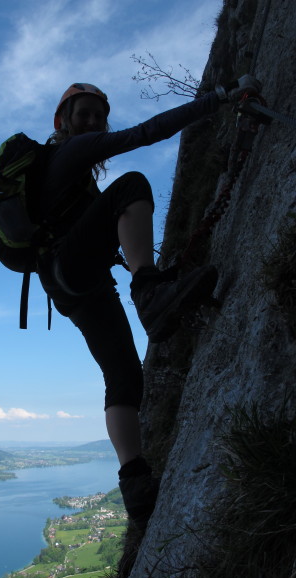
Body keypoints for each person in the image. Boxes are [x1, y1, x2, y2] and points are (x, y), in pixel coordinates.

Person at [36, 77, 261, 533]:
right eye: (85, 115)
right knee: (133, 184)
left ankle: (135, 487)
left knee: (123, 374)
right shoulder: (69, 154)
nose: (94, 122)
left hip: (71, 285)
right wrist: (218, 98)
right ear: (63, 122)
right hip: (74, 272)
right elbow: (144, 135)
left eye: (99, 116)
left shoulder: (66, 179)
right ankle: (150, 292)